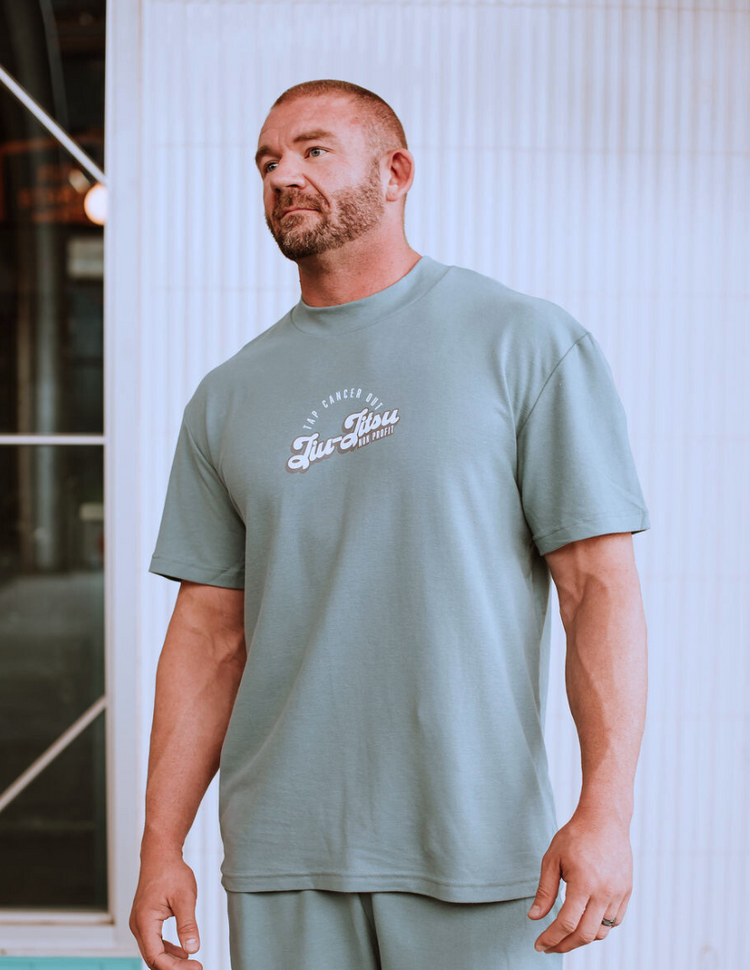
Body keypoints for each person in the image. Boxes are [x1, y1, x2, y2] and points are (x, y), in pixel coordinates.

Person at [129, 78, 650, 970]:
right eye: (266, 162)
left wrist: (606, 809)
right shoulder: (227, 397)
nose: (282, 175)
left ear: (396, 172)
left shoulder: (524, 343)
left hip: (479, 852)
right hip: (282, 858)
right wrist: (160, 844)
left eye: (313, 150)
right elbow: (208, 637)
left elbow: (596, 589)